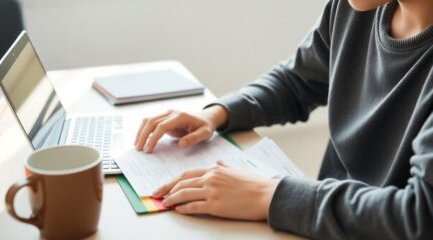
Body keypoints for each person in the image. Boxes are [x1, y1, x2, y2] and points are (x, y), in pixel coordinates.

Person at [135, 0, 433, 239]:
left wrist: (270, 194)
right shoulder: (353, 8)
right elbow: (297, 81)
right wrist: (216, 113)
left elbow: (420, 216)